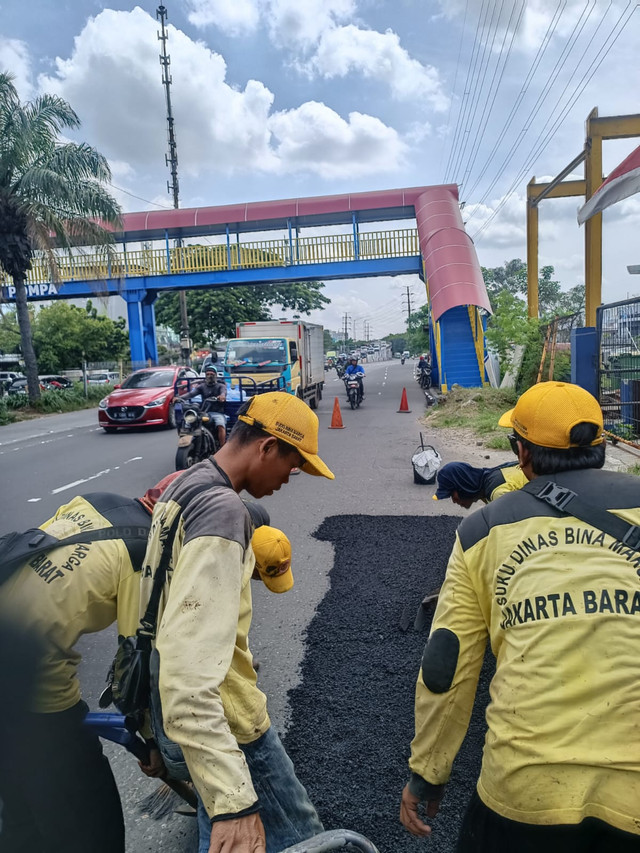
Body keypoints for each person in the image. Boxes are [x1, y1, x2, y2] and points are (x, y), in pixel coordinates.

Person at [400, 381, 640, 852]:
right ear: (603, 447)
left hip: (525, 788)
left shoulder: (484, 529)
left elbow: (446, 666)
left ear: (521, 452)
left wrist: (428, 771)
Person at [141, 391, 334, 853]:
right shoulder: (225, 513)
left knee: (224, 835)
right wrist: (233, 800)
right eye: (293, 463)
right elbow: (190, 667)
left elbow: (151, 618)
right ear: (267, 447)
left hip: (173, 715)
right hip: (226, 721)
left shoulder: (182, 486)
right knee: (298, 838)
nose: (293, 477)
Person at [0, 472, 181, 853]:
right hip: (32, 684)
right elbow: (136, 663)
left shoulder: (92, 500)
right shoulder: (144, 553)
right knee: (93, 824)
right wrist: (152, 743)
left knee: (20, 811)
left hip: (11, 655)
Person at [433, 460, 528, 508]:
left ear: (463, 486)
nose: (454, 501)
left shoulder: (498, 494)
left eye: (452, 495)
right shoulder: (488, 481)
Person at [178, 365, 227, 447]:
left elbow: (223, 392)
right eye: (207, 374)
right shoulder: (202, 386)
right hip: (204, 412)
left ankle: (222, 447)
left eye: (211, 374)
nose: (209, 376)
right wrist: (179, 398)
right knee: (187, 423)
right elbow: (191, 394)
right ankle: (187, 442)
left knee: (220, 425)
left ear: (215, 375)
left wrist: (222, 396)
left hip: (217, 412)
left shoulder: (221, 386)